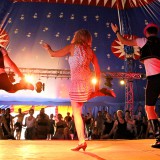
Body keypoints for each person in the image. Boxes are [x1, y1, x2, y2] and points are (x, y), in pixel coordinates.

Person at [42, 29, 116, 151]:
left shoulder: (72, 47)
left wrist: (48, 48)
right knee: (84, 101)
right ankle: (100, 92)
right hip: (87, 81)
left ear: (77, 37)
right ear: (88, 39)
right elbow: (97, 70)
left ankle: (82, 141)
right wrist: (96, 87)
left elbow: (53, 54)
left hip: (76, 83)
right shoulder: (91, 51)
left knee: (76, 113)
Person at [111, 22, 160, 148]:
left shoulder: (143, 41)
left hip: (154, 80)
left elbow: (124, 41)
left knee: (149, 109)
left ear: (147, 33)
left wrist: (116, 31)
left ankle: (159, 138)